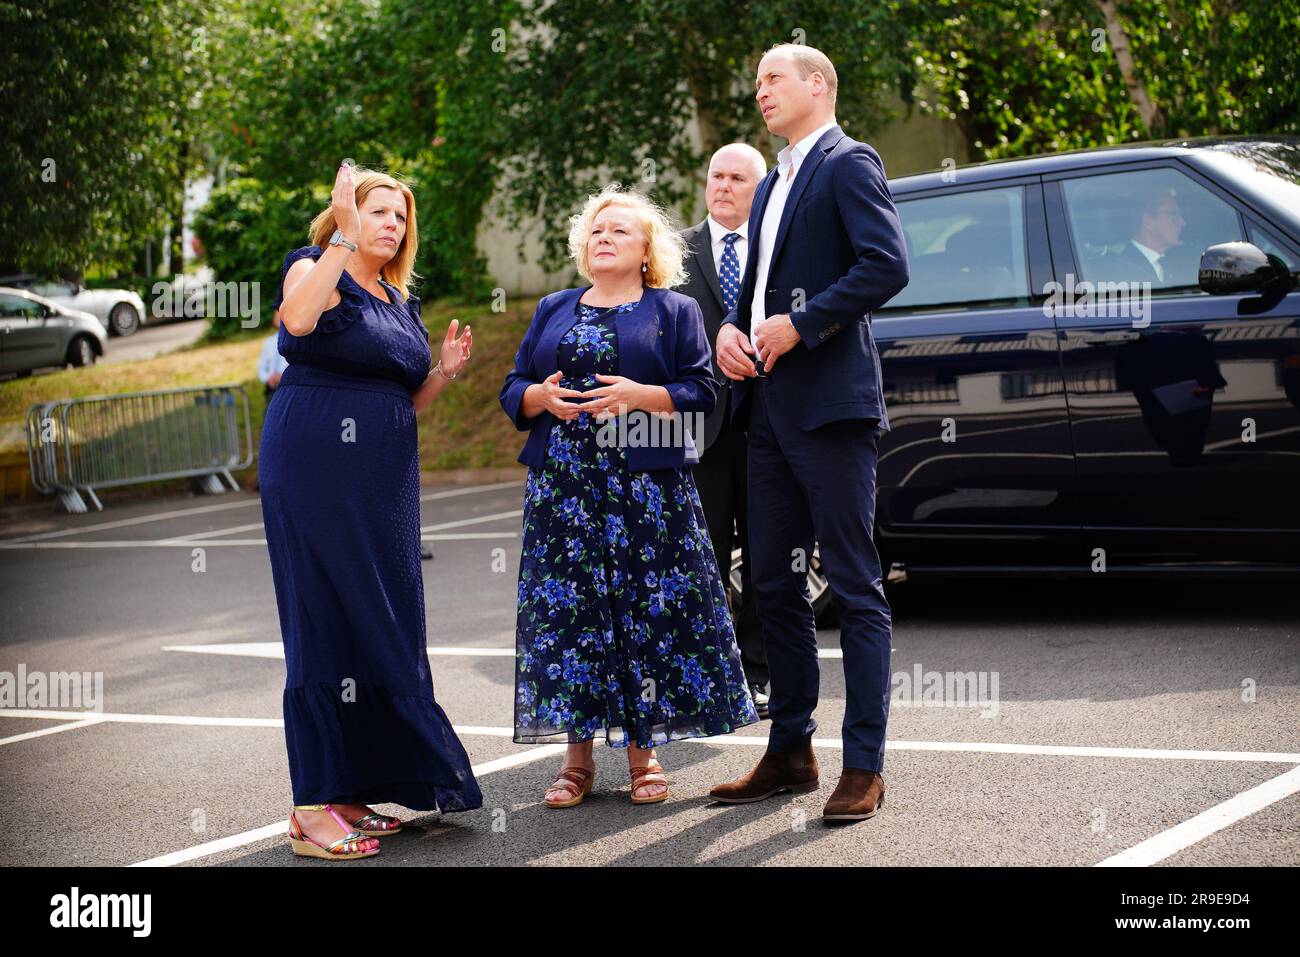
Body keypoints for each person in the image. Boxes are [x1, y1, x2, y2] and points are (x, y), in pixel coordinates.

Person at [500, 185, 758, 808]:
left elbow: (702, 389)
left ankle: (645, 757)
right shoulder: (554, 306)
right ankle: (575, 763)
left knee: (644, 615)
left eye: (619, 230)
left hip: (646, 488)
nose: (604, 237)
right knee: (571, 620)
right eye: (596, 231)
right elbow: (514, 385)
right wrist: (540, 398)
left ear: (647, 250)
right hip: (565, 489)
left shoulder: (674, 310)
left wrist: (639, 396)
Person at [708, 44, 910, 822]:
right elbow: (753, 287)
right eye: (754, 80)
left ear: (816, 85)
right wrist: (732, 328)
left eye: (772, 79)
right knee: (772, 587)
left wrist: (804, 322)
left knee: (855, 587)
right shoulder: (771, 184)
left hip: (831, 409)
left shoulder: (849, 162)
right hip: (766, 414)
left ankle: (864, 766)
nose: (759, 91)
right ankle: (791, 748)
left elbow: (887, 265)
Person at [261, 162, 480, 860]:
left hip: (383, 479)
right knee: (323, 614)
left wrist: (441, 371)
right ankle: (311, 805)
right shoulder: (314, 264)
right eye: (378, 210)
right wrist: (342, 243)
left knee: (379, 615)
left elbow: (405, 396)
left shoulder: (396, 297)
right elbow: (297, 321)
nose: (392, 222)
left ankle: (348, 789)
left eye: (400, 216)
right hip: (316, 462)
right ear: (346, 214)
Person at [678, 143, 772, 718]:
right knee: (701, 557)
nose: (724, 186)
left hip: (767, 424)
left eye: (738, 177)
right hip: (699, 429)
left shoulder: (773, 246)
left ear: (758, 189)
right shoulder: (673, 253)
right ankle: (706, 674)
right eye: (717, 175)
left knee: (766, 558)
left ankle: (758, 674)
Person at [257, 309, 289, 402]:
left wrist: (281, 376)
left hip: (288, 385)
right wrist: (268, 378)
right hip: (271, 389)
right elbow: (261, 367)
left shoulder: (296, 341)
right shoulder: (269, 342)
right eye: (277, 314)